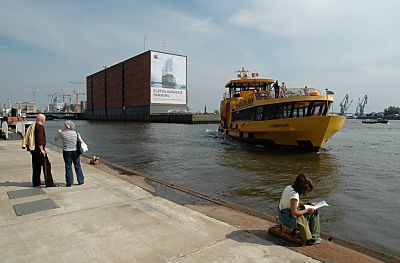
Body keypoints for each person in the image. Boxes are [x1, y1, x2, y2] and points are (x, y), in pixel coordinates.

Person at [277, 174, 320, 245]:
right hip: (287, 218)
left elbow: (294, 203)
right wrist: (307, 210)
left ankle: (312, 234)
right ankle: (314, 237)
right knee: (314, 212)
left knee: (311, 209)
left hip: (282, 213)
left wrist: (307, 203)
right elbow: (294, 213)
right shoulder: (294, 195)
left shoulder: (289, 188)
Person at [23, 114, 58, 187]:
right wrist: (42, 149)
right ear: (42, 120)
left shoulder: (34, 126)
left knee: (36, 166)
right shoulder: (40, 127)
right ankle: (49, 182)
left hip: (33, 149)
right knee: (47, 165)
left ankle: (36, 182)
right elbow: (40, 139)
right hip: (39, 150)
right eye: (44, 119)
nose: (45, 120)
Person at [55, 120, 85, 187]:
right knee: (77, 165)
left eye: (65, 125)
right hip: (75, 151)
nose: (64, 126)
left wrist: (58, 133)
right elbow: (81, 141)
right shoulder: (76, 133)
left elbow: (56, 139)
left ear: (68, 126)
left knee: (68, 166)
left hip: (66, 151)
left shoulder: (63, 133)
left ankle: (69, 182)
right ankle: (80, 180)